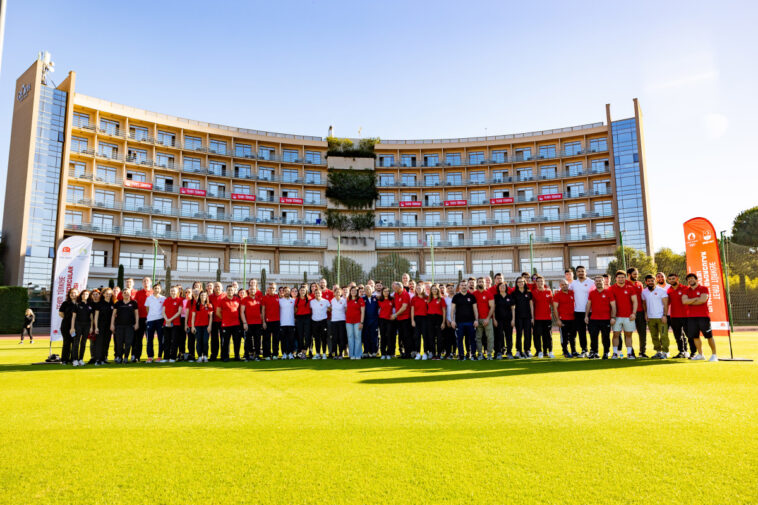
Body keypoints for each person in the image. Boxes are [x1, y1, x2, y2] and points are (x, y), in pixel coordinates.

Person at [682, 273, 718, 361]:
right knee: (695, 336)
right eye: (688, 279)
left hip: (703, 316)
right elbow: (684, 301)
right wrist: (695, 299)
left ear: (696, 279)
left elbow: (702, 300)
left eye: (692, 279)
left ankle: (714, 355)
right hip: (691, 317)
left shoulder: (703, 288)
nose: (690, 280)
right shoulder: (686, 290)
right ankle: (700, 354)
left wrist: (690, 301)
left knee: (709, 336)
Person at [609, 270, 638, 359]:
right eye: (619, 277)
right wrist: (612, 316)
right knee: (616, 334)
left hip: (628, 316)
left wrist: (634, 313)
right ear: (616, 278)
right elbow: (611, 304)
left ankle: (629, 353)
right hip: (616, 316)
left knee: (628, 335)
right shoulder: (611, 288)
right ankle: (615, 353)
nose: (621, 279)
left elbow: (635, 301)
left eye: (622, 277)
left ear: (625, 278)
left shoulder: (630, 287)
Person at [585, 276, 615, 359]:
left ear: (603, 282)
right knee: (593, 337)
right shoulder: (592, 293)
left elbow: (613, 305)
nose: (598, 282)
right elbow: (588, 304)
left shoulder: (608, 292)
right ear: (594, 283)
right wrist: (586, 316)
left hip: (606, 319)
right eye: (597, 281)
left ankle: (606, 352)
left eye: (600, 281)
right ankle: (595, 352)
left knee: (605, 337)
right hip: (594, 319)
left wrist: (613, 317)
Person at [641, 274, 669, 359]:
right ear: (646, 282)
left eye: (652, 281)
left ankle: (665, 352)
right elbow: (644, 304)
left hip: (661, 317)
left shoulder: (662, 290)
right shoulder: (644, 292)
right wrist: (646, 314)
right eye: (648, 281)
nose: (650, 282)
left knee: (663, 335)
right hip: (650, 318)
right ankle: (658, 352)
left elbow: (665, 303)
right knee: (654, 336)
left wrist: (664, 315)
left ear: (655, 281)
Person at [569, 265, 594, 357]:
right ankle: (584, 350)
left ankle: (593, 350)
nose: (581, 273)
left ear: (585, 272)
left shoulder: (592, 282)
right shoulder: (573, 283)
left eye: (582, 271)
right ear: (576, 273)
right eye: (579, 271)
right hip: (578, 312)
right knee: (581, 332)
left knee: (592, 332)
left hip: (591, 311)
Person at [450, 280, 478, 360]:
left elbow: (475, 310)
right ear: (459, 287)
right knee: (459, 339)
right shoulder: (456, 297)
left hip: (470, 322)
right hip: (459, 322)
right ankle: (461, 355)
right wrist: (452, 320)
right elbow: (452, 310)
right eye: (462, 285)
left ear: (467, 286)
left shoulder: (471, 296)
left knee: (472, 339)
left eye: (465, 285)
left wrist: (476, 320)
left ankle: (473, 354)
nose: (463, 286)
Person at [110, 289, 139, 364]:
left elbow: (136, 314)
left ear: (130, 294)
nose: (126, 294)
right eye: (124, 293)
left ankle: (126, 357)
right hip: (119, 326)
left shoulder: (133, 303)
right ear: (122, 294)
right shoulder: (118, 303)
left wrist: (137, 323)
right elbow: (113, 315)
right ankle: (119, 357)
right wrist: (112, 324)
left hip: (130, 326)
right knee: (119, 343)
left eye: (128, 293)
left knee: (128, 342)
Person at [667, 273, 692, 358]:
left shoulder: (685, 288)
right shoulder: (669, 290)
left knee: (690, 335)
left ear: (677, 278)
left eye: (673, 278)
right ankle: (681, 352)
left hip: (686, 316)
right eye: (670, 279)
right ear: (668, 280)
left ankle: (692, 353)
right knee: (678, 336)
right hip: (674, 316)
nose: (672, 280)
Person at [216, 285, 242, 362]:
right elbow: (217, 312)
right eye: (228, 290)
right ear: (226, 291)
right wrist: (224, 318)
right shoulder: (222, 300)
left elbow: (240, 311)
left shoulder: (237, 300)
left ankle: (237, 356)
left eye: (231, 290)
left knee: (236, 341)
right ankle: (225, 357)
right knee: (225, 342)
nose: (230, 291)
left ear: (234, 291)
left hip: (236, 324)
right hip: (226, 325)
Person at [130, 277, 153, 362]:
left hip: (150, 319)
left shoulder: (153, 292)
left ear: (150, 282)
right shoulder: (138, 293)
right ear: (142, 283)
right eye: (144, 281)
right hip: (139, 318)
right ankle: (137, 356)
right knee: (138, 339)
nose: (145, 282)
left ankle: (150, 356)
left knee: (149, 339)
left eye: (147, 281)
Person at [532, 275, 554, 358]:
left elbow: (552, 304)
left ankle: (549, 351)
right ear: (536, 283)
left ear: (544, 282)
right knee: (537, 335)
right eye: (538, 281)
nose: (540, 283)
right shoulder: (533, 292)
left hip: (547, 318)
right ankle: (539, 351)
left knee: (548, 335)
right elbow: (531, 305)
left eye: (542, 281)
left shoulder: (548, 292)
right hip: (537, 318)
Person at [553, 280, 577, 358]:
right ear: (560, 286)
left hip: (573, 319)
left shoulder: (572, 293)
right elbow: (555, 308)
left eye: (566, 284)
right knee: (564, 337)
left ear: (568, 285)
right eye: (562, 285)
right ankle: (565, 351)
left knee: (573, 336)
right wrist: (558, 320)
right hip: (563, 319)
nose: (564, 286)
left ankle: (574, 351)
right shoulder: (557, 295)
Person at [628, 267, 648, 358]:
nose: (636, 276)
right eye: (634, 274)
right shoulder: (624, 284)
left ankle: (642, 352)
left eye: (637, 274)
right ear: (629, 275)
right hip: (628, 313)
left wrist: (645, 312)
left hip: (640, 312)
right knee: (629, 333)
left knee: (642, 333)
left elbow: (643, 299)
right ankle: (631, 352)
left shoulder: (639, 284)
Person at [511, 277, 534, 359]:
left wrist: (532, 317)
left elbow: (531, 305)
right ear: (516, 283)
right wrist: (513, 319)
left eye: (522, 282)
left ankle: (527, 350)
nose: (520, 283)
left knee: (528, 334)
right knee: (519, 334)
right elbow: (513, 307)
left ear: (525, 282)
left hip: (527, 317)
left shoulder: (529, 293)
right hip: (518, 317)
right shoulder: (514, 293)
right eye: (519, 282)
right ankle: (518, 351)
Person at [473, 277, 495, 360]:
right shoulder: (474, 294)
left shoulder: (488, 293)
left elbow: (492, 307)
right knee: (478, 337)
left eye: (482, 281)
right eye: (479, 282)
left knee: (490, 337)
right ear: (477, 283)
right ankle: (480, 354)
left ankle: (489, 354)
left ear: (485, 283)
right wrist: (475, 319)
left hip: (487, 319)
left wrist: (488, 318)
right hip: (477, 320)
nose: (481, 283)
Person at [70, 289, 93, 367]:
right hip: (78, 325)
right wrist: (72, 327)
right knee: (76, 342)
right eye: (83, 294)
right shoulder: (77, 304)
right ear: (81, 295)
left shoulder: (90, 305)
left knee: (83, 343)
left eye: (86, 294)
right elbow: (73, 317)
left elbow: (91, 317)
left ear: (88, 296)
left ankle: (81, 359)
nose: (85, 296)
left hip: (87, 325)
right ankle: (75, 360)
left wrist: (91, 327)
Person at [144, 284, 166, 363]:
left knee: (161, 339)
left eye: (158, 288)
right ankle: (150, 357)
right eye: (155, 288)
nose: (157, 289)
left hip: (160, 320)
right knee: (149, 339)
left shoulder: (163, 298)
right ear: (153, 289)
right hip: (150, 320)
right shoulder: (149, 298)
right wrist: (151, 316)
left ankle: (159, 356)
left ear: (160, 289)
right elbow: (147, 308)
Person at [240, 287, 263, 361]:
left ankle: (257, 355)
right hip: (248, 323)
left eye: (254, 289)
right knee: (248, 341)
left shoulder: (259, 299)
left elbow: (261, 311)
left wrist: (262, 322)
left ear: (256, 291)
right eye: (251, 289)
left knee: (257, 340)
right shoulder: (245, 299)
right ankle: (247, 355)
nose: (252, 291)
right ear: (248, 291)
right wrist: (244, 323)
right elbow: (242, 312)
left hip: (258, 323)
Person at [391, 281, 412, 359]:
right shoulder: (396, 294)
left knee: (406, 336)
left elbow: (404, 307)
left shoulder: (405, 294)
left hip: (405, 318)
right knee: (401, 336)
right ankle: (402, 353)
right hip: (399, 319)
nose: (394, 290)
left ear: (400, 288)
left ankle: (408, 353)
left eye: (396, 288)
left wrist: (395, 315)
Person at [93, 288, 114, 364]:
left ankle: (104, 358)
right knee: (99, 343)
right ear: (103, 294)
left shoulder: (112, 304)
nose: (108, 295)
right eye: (107, 294)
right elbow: (96, 316)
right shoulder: (99, 303)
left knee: (106, 342)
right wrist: (96, 327)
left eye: (110, 294)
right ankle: (98, 359)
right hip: (101, 326)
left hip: (109, 326)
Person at [191, 291, 214, 363]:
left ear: (206, 297)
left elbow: (211, 317)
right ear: (199, 296)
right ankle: (200, 356)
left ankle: (206, 356)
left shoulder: (209, 305)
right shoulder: (196, 305)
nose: (203, 297)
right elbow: (193, 317)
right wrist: (192, 326)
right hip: (198, 326)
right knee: (198, 342)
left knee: (205, 341)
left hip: (206, 326)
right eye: (201, 295)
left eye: (204, 296)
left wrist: (210, 326)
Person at [162, 286, 183, 363]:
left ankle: (173, 357)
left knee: (174, 341)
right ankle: (166, 357)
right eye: (171, 291)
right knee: (166, 341)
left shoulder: (179, 300)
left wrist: (170, 319)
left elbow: (179, 312)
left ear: (177, 292)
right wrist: (167, 320)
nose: (172, 292)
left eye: (174, 291)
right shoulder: (166, 300)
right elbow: (163, 311)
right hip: (166, 323)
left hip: (175, 323)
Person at [493, 282, 513, 359]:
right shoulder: (496, 297)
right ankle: (498, 352)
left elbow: (513, 309)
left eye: (504, 286)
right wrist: (494, 319)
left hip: (508, 320)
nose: (502, 287)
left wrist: (513, 319)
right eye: (500, 286)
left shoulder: (510, 296)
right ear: (498, 288)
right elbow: (493, 309)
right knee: (498, 336)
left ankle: (509, 352)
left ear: (506, 287)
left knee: (509, 337)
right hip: (498, 320)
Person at [58, 288, 78, 365]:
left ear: (78, 294)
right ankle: (64, 360)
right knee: (66, 343)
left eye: (75, 293)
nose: (73, 294)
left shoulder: (79, 303)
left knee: (75, 343)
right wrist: (68, 319)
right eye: (71, 293)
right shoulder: (65, 303)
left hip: (76, 326)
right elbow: (61, 313)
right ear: (69, 295)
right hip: (66, 326)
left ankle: (73, 359)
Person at [426, 285, 446, 360]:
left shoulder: (441, 299)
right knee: (431, 337)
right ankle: (433, 354)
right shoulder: (428, 299)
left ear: (438, 290)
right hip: (430, 319)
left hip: (439, 319)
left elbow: (444, 311)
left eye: (435, 289)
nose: (434, 290)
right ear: (431, 291)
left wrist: (443, 322)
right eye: (432, 289)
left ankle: (439, 353)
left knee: (439, 337)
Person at [345, 286, 365, 360]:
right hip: (348, 322)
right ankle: (352, 354)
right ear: (350, 292)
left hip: (357, 322)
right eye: (352, 290)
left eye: (355, 291)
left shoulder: (360, 299)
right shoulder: (347, 299)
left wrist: (361, 322)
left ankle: (358, 354)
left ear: (357, 292)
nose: (353, 292)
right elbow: (346, 310)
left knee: (357, 337)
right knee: (350, 338)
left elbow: (363, 312)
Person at [309, 289, 330, 359]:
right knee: (316, 338)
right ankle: (318, 353)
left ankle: (324, 353)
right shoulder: (312, 302)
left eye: (319, 293)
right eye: (316, 293)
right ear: (314, 294)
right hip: (314, 322)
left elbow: (330, 309)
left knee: (323, 338)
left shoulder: (326, 301)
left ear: (321, 294)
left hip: (323, 322)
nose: (317, 294)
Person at [262, 282, 280, 360]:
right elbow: (263, 310)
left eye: (273, 288)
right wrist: (263, 322)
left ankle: (275, 354)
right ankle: (267, 355)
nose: (271, 289)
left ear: (275, 289)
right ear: (268, 289)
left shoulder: (278, 297)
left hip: (277, 321)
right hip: (267, 321)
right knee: (266, 339)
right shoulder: (264, 298)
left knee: (276, 339)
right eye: (270, 288)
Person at [410, 283, 429, 360]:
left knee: (425, 336)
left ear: (423, 289)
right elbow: (412, 310)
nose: (418, 290)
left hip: (425, 319)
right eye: (417, 288)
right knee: (417, 337)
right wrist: (412, 320)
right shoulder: (414, 298)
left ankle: (425, 353)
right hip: (417, 319)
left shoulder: (427, 298)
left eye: (420, 288)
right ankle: (418, 353)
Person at [362, 285, 380, 358]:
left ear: (372, 290)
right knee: (366, 337)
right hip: (366, 321)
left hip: (374, 321)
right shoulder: (362, 299)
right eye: (366, 289)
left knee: (374, 337)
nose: (367, 291)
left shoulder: (376, 298)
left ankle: (374, 351)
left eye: (369, 289)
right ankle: (366, 351)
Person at [294, 286, 312, 358]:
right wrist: (295, 318)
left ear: (306, 291)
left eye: (304, 290)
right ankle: (301, 352)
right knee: (300, 336)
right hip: (299, 318)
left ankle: (305, 350)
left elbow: (312, 308)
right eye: (301, 290)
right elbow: (295, 309)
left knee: (307, 336)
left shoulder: (309, 299)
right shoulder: (297, 299)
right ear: (299, 291)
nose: (302, 292)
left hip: (307, 318)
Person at [279, 287, 296, 359]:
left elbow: (295, 310)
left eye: (288, 291)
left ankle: (290, 353)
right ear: (283, 292)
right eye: (285, 291)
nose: (286, 292)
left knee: (291, 339)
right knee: (283, 340)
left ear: (290, 292)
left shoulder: (293, 300)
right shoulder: (280, 301)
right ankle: (284, 353)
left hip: (291, 323)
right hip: (282, 323)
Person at [208, 282, 224, 361]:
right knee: (214, 339)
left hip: (223, 321)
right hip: (213, 321)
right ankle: (214, 355)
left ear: (222, 288)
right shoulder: (210, 297)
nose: (217, 288)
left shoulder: (225, 296)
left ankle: (223, 355)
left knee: (223, 338)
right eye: (216, 286)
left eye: (218, 286)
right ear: (213, 288)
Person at [330, 287, 347, 359]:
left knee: (341, 337)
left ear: (341, 293)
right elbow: (330, 309)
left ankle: (341, 353)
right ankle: (336, 353)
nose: (337, 293)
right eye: (336, 292)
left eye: (338, 292)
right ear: (334, 293)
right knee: (335, 338)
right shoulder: (332, 301)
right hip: (334, 321)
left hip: (342, 321)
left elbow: (346, 310)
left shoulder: (344, 300)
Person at [442, 284, 456, 359]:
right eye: (449, 288)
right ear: (447, 290)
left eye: (451, 288)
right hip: (448, 321)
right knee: (448, 338)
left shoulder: (457, 298)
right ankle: (448, 353)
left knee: (455, 338)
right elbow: (445, 310)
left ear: (454, 289)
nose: (450, 289)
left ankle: (454, 352)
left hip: (456, 321)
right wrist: (447, 320)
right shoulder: (445, 299)